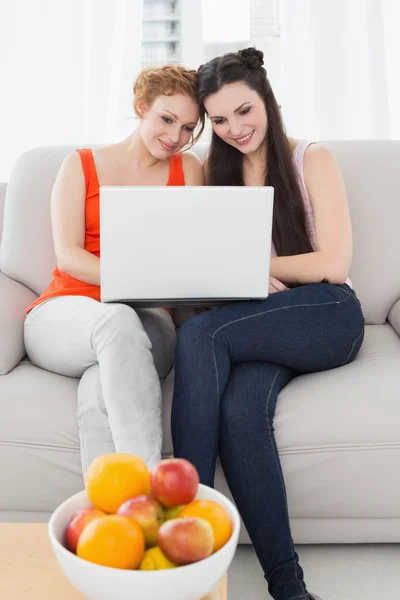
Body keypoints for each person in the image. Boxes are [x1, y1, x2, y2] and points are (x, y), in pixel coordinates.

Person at [171, 48, 364, 600]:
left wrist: (255, 270)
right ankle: (289, 588)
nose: (235, 128)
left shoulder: (312, 158)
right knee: (238, 410)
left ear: (267, 99)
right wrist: (237, 282)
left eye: (244, 111)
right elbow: (206, 266)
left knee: (200, 334)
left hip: (327, 313)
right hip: (258, 324)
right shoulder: (217, 171)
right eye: (221, 119)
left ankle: (185, 526)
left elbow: (333, 265)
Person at [24, 64, 205, 476]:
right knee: (116, 319)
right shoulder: (80, 165)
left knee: (98, 398)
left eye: (188, 127)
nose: (176, 137)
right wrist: (140, 281)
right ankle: (150, 489)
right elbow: (69, 255)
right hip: (66, 315)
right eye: (167, 119)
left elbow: (195, 252)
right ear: (141, 107)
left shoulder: (189, 169)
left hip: (150, 322)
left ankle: (111, 524)